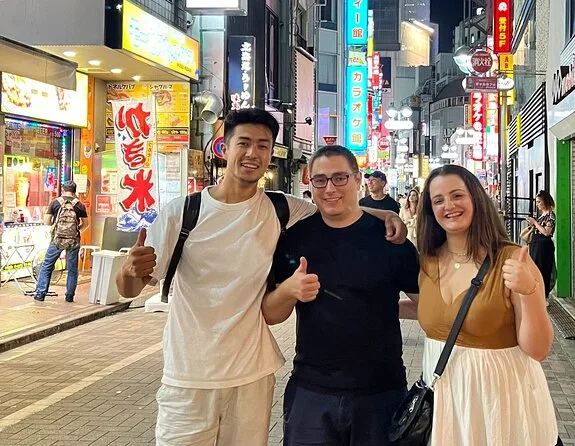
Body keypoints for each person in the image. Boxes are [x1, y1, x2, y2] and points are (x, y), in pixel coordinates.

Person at [115, 110, 407, 446]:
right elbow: (129, 289)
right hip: (189, 375)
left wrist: (386, 214)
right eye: (244, 143)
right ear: (224, 148)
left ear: (270, 154)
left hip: (252, 376)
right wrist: (128, 271)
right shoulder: (183, 212)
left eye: (263, 146)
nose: (252, 153)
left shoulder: (280, 208)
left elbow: (336, 207)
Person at [263, 145, 420, 446]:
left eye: (340, 178)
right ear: (310, 183)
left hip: (381, 392)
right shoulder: (294, 239)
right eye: (320, 180)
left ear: (358, 180)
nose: (330, 188)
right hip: (311, 390)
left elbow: (428, 306)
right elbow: (272, 314)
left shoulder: (391, 240)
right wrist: (289, 290)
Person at [413, 165, 558, 445]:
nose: (448, 206)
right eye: (438, 200)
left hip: (500, 405)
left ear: (476, 199)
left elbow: (538, 349)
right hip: (447, 405)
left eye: (457, 196)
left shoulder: (512, 260)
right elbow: (439, 313)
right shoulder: (428, 260)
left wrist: (529, 292)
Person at [35, 180, 89, 302]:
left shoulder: (55, 202)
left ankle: (40, 294)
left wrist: (55, 226)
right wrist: (76, 230)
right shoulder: (79, 205)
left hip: (57, 240)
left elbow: (47, 221)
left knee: (47, 266)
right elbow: (86, 224)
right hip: (73, 241)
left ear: (63, 190)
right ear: (74, 191)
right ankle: (69, 296)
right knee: (72, 269)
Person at [527, 190, 556, 300]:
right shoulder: (542, 215)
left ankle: (544, 295)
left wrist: (535, 223)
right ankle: (537, 293)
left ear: (546, 201)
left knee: (543, 270)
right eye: (536, 202)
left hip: (544, 246)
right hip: (536, 244)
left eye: (539, 202)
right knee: (535, 269)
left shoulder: (550, 216)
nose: (537, 204)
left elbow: (546, 232)